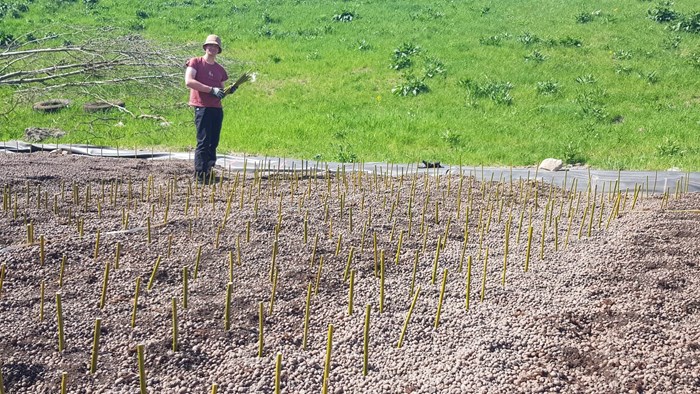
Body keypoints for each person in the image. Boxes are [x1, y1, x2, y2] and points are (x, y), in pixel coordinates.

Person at [185, 34, 235, 183]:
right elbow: (189, 81)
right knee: (203, 141)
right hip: (202, 107)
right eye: (210, 45)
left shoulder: (220, 70)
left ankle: (209, 170)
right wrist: (210, 90)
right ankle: (200, 175)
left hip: (216, 108)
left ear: (218, 50)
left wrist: (227, 91)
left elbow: (220, 92)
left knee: (214, 141)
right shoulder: (195, 62)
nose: (212, 48)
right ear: (205, 47)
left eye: (215, 46)